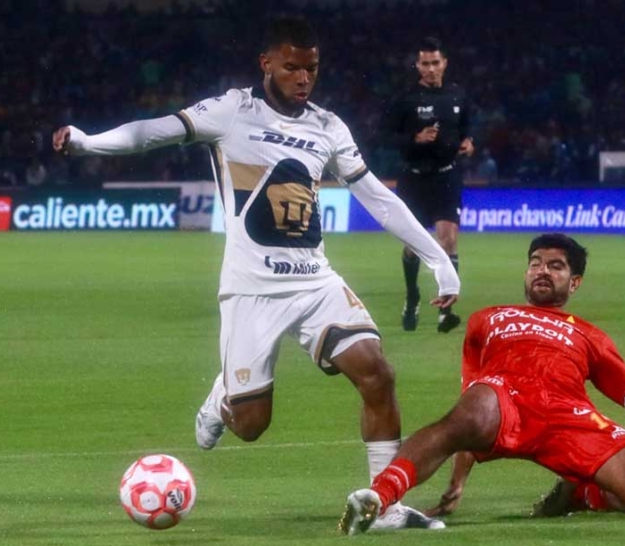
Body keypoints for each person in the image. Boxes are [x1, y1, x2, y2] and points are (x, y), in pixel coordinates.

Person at [52, 17, 459, 531]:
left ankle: (385, 506)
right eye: (291, 67)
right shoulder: (232, 111)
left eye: (311, 68)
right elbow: (153, 132)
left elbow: (377, 196)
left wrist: (438, 260)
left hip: (315, 281)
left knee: (377, 373)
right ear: (266, 63)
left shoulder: (328, 127)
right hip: (252, 290)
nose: (303, 78)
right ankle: (222, 396)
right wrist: (87, 143)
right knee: (250, 426)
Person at [339, 234, 625, 535]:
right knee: (468, 411)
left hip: (569, 418)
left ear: (575, 281)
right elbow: (466, 412)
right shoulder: (488, 319)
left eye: (555, 266)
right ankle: (380, 497)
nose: (542, 271)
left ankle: (582, 492)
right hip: (504, 402)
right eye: (535, 263)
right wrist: (458, 480)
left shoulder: (590, 336)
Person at [382, 37, 474, 333]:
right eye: (425, 63)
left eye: (436, 62)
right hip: (413, 179)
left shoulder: (458, 96)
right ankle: (412, 297)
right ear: (418, 66)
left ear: (444, 63)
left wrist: (468, 142)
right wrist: (415, 138)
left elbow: (467, 128)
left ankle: (446, 312)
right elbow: (385, 136)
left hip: (446, 177)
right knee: (413, 246)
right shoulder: (405, 98)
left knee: (448, 239)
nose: (431, 68)